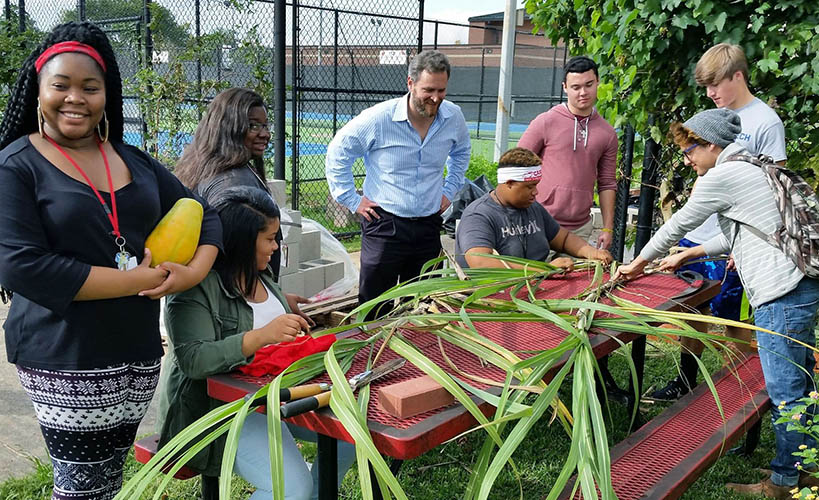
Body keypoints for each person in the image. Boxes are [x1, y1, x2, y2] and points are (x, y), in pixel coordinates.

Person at [0, 21, 222, 500]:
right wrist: (137, 280)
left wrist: (192, 272)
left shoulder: (132, 160)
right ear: (38, 91)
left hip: (137, 350)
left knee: (108, 482)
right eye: (60, 85)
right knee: (81, 487)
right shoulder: (16, 165)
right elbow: (22, 265)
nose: (75, 98)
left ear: (107, 94)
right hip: (66, 352)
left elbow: (205, 214)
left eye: (90, 87)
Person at [614, 108, 819, 499]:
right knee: (802, 379)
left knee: (785, 388)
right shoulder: (751, 167)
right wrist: (690, 255)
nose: (687, 160)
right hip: (799, 284)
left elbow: (678, 225)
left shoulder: (722, 176)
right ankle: (802, 467)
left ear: (710, 144)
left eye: (689, 150)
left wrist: (637, 264)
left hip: (780, 290)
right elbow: (742, 233)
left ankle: (783, 483)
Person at [157, 186, 355, 500]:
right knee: (291, 489)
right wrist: (262, 336)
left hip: (273, 397)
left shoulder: (260, 277)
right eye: (269, 238)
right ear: (243, 242)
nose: (276, 246)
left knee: (350, 432)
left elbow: (263, 320)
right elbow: (194, 360)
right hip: (219, 411)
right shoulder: (195, 289)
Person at [649, 43, 789, 401]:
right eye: (707, 87)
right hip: (700, 234)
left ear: (737, 76)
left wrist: (743, 246)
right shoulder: (715, 115)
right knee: (693, 308)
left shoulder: (765, 122)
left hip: (737, 240)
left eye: (716, 84)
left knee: (732, 320)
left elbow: (776, 188)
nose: (711, 93)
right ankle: (685, 380)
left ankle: (739, 396)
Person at [325, 49, 471, 314]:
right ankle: (370, 339)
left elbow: (461, 153)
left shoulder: (453, 117)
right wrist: (351, 199)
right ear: (410, 83)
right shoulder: (379, 118)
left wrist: (450, 190)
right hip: (385, 223)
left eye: (441, 90)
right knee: (375, 303)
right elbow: (338, 151)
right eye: (428, 90)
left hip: (428, 223)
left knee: (421, 303)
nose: (435, 98)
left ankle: (412, 341)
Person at [175, 87, 286, 280]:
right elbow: (235, 263)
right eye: (253, 126)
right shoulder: (234, 183)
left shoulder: (208, 165)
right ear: (228, 128)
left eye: (265, 125)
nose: (265, 134)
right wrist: (264, 294)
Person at [518, 55, 617, 250]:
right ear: (565, 87)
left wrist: (607, 228)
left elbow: (607, 183)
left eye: (589, 85)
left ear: (598, 82)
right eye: (576, 87)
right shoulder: (546, 121)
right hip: (539, 223)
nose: (583, 92)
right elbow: (516, 164)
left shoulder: (607, 133)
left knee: (574, 272)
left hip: (580, 228)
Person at [455, 147, 612, 269]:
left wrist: (590, 252)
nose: (536, 192)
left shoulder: (533, 208)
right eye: (529, 187)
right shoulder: (479, 215)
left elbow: (563, 239)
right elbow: (481, 263)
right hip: (492, 293)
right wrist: (544, 270)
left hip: (534, 286)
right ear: (509, 183)